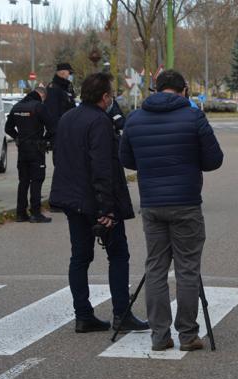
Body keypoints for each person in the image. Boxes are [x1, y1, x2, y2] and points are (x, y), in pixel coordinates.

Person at [120, 70, 223, 351]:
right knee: (187, 269)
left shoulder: (135, 118)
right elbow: (214, 160)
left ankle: (159, 335)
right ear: (184, 90)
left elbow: (126, 159)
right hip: (186, 202)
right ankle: (188, 335)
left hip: (152, 204)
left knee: (155, 268)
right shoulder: (193, 117)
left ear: (156, 89)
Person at [50, 72, 148, 334]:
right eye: (111, 94)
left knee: (80, 257)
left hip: (72, 199)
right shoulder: (100, 122)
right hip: (96, 201)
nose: (112, 98)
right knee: (118, 254)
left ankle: (83, 315)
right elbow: (102, 167)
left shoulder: (67, 118)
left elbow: (59, 158)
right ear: (104, 97)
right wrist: (107, 208)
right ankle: (121, 313)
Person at [4, 87, 55, 223]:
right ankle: (35, 213)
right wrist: (44, 140)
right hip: (36, 149)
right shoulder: (39, 107)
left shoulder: (16, 107)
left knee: (24, 180)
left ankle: (20, 213)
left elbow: (8, 128)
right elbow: (53, 127)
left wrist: (18, 138)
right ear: (41, 95)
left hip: (22, 150)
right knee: (37, 180)